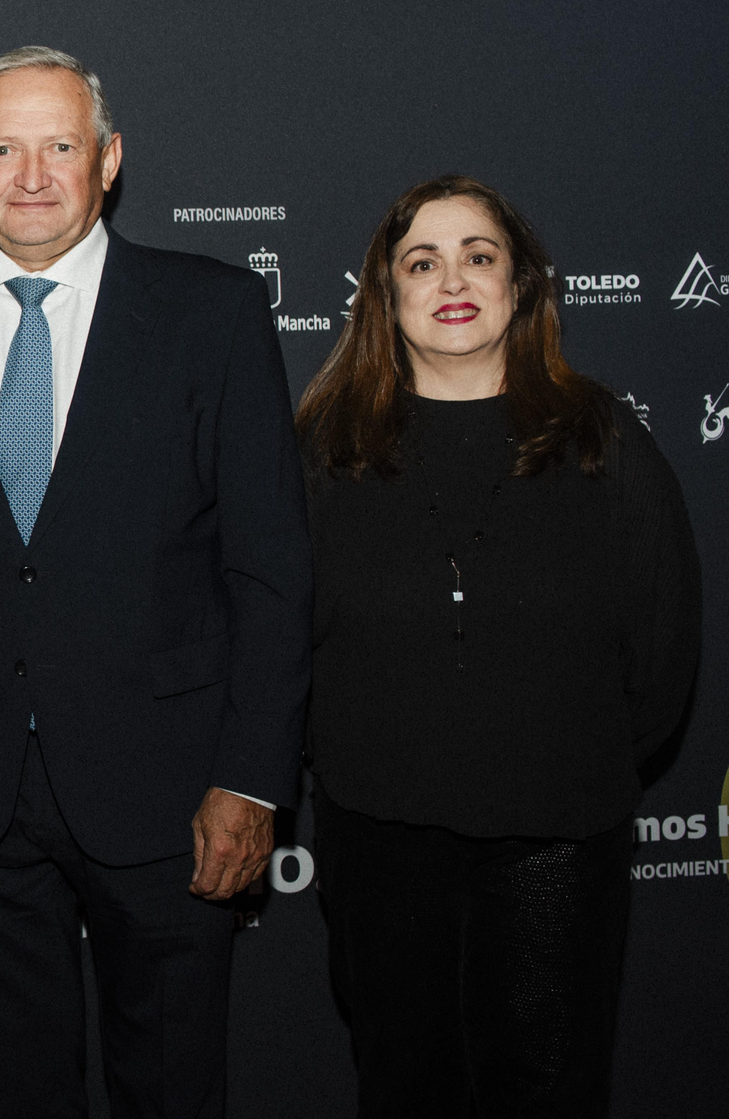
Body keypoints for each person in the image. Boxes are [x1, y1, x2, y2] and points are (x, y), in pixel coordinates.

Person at [0, 47, 312, 1119]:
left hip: (170, 790)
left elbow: (270, 565)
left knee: (171, 1089)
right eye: (2, 148)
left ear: (106, 161)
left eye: (58, 145)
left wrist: (250, 781)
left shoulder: (213, 313)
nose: (30, 175)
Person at [295, 175, 701, 1117]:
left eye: (480, 255)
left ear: (521, 286)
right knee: (404, 1086)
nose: (454, 279)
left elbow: (663, 649)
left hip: (555, 839)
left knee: (550, 1091)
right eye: (422, 261)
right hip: (381, 842)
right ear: (386, 294)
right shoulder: (327, 445)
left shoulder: (601, 438)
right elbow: (289, 640)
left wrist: (554, 758)